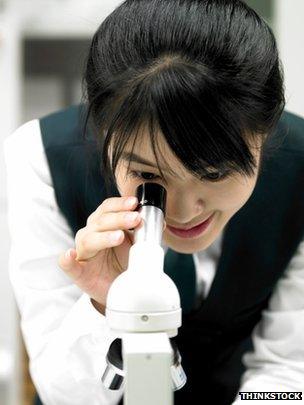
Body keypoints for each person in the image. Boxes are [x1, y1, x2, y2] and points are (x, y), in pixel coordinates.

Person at [4, 0, 304, 404]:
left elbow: (287, 370)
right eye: (148, 176)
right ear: (103, 129)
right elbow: (63, 394)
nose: (179, 213)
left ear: (264, 135)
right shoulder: (38, 157)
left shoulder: (300, 167)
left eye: (213, 175)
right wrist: (104, 305)